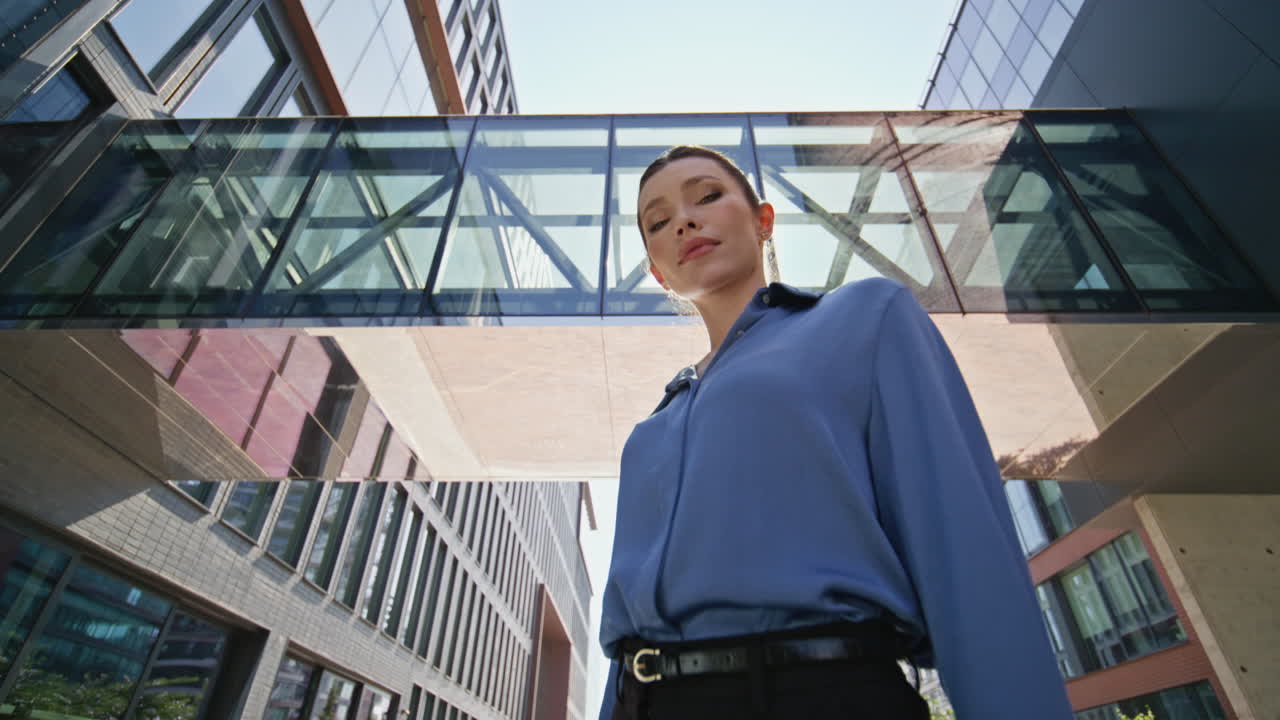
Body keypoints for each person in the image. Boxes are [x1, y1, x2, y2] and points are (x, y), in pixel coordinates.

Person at [596, 145, 1074, 720]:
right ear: (658, 271)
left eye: (707, 196)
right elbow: (622, 636)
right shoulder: (655, 424)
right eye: (658, 221)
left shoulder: (867, 316)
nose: (683, 221)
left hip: (816, 691)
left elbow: (960, 541)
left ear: (762, 220)